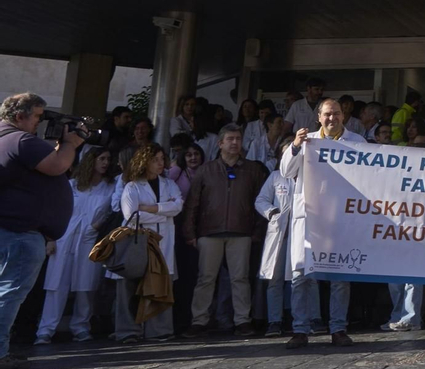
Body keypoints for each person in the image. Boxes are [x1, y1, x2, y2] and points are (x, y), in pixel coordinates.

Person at [282, 97, 365, 347]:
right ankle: (300, 330)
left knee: (340, 277)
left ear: (343, 116)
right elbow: (286, 171)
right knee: (301, 276)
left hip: (341, 219)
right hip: (309, 219)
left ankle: (338, 329)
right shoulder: (306, 141)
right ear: (318, 117)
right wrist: (295, 145)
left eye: (336, 113)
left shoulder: (357, 142)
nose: (332, 118)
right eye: (327, 114)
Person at [181, 124, 269, 337]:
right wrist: (190, 233)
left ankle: (242, 320)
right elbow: (193, 203)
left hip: (241, 232)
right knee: (206, 278)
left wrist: (257, 232)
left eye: (238, 138)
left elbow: (261, 202)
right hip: (209, 231)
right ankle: (199, 320)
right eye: (230, 139)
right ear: (220, 143)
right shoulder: (206, 170)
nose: (235, 142)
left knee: (240, 279)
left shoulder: (253, 170)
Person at [35, 144, 115, 344]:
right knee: (56, 285)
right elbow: (55, 211)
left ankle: (81, 327)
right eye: (101, 159)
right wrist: (50, 238)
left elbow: (111, 212)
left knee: (86, 286)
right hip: (64, 239)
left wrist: (97, 226)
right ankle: (46, 329)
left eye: (108, 159)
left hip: (90, 240)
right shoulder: (72, 185)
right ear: (91, 161)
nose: (105, 163)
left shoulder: (110, 187)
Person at [115, 145, 183, 343]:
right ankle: (128, 331)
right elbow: (132, 216)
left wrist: (150, 208)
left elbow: (178, 206)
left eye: (162, 159)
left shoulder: (169, 184)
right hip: (138, 242)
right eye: (155, 160)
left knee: (160, 285)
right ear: (144, 162)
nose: (160, 163)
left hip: (163, 242)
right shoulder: (132, 186)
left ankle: (159, 330)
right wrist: (163, 214)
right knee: (130, 285)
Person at [255, 136, 296, 336]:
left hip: (301, 236)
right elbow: (260, 200)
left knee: (302, 280)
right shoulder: (275, 177)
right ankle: (275, 321)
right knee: (275, 279)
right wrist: (271, 212)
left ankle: (304, 318)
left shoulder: (308, 176)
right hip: (280, 235)